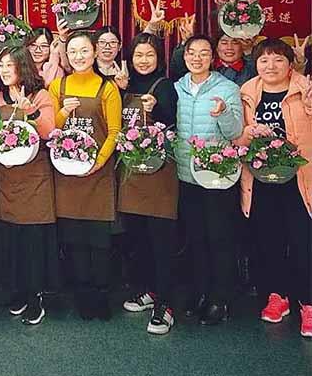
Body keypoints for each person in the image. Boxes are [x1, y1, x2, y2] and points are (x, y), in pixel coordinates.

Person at [234, 38, 312, 337]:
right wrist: (247, 133)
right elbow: (237, 139)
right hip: (261, 181)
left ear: (290, 64)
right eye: (264, 60)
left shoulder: (305, 88)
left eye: (278, 59)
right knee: (269, 241)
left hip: (300, 179)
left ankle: (308, 303)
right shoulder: (246, 93)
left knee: (304, 241)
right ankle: (277, 296)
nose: (271, 66)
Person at [48, 31, 122, 320]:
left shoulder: (107, 88)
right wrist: (63, 113)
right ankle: (83, 296)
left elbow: (114, 132)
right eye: (73, 52)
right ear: (66, 55)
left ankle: (101, 296)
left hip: (98, 175)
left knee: (99, 241)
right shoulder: (58, 86)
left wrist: (98, 162)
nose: (78, 56)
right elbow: (51, 129)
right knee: (74, 239)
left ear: (95, 53)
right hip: (67, 175)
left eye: (84, 51)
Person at [174, 35, 244, 325]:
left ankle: (220, 298)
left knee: (219, 238)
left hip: (217, 178)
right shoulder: (177, 88)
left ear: (212, 57)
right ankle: (200, 292)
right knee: (195, 238)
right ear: (185, 57)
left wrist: (223, 113)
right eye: (192, 53)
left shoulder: (227, 88)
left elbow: (235, 131)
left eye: (204, 53)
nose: (197, 58)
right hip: (186, 175)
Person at [116, 33, 179, 335]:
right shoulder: (125, 85)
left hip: (159, 175)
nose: (143, 60)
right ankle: (150, 292)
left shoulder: (164, 86)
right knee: (140, 240)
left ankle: (166, 306)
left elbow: (173, 122)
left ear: (159, 58)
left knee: (162, 242)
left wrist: (156, 109)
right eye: (138, 55)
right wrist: (120, 90)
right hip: (131, 174)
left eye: (149, 55)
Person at [0, 45, 58, 325]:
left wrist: (31, 112)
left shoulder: (40, 95)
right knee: (11, 239)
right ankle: (18, 291)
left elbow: (50, 132)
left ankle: (35, 297)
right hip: (5, 177)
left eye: (10, 65)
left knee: (33, 241)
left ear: (23, 66)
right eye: (1, 66)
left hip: (34, 179)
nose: (4, 70)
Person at [24, 21, 70, 87]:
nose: (38, 50)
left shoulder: (57, 71)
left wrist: (54, 55)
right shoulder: (19, 68)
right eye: (33, 45)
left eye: (44, 46)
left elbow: (47, 85)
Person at [94, 26, 129, 90]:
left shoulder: (125, 69)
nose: (107, 47)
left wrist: (124, 87)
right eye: (102, 42)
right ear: (96, 45)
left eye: (113, 42)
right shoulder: (88, 68)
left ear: (120, 46)